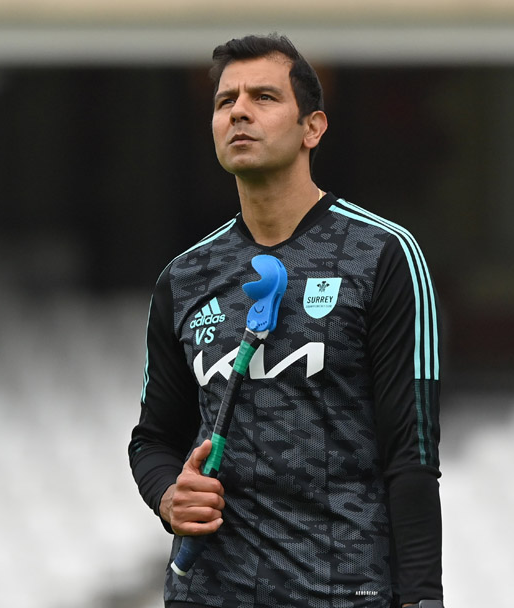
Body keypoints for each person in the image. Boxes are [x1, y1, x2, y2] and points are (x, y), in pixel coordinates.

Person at [129, 33, 444, 608]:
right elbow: (152, 440)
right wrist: (169, 497)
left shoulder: (382, 254)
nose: (239, 112)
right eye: (225, 101)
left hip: (344, 592)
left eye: (264, 97)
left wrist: (422, 599)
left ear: (312, 128)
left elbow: (412, 453)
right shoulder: (185, 277)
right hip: (209, 595)